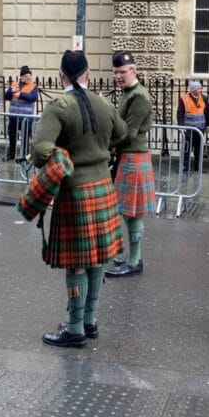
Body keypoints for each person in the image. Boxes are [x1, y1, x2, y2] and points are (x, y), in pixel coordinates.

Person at [30, 50, 127, 348]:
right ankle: (90, 320)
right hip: (103, 188)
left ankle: (74, 329)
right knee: (97, 258)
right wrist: (99, 146)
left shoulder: (59, 106)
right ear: (86, 74)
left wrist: (62, 156)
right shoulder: (104, 102)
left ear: (62, 76)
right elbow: (121, 134)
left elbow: (39, 151)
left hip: (75, 191)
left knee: (76, 263)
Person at [105, 50, 156, 278]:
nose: (118, 76)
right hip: (129, 156)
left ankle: (134, 261)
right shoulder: (129, 93)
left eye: (122, 72)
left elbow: (128, 133)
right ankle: (134, 257)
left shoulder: (139, 96)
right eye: (115, 72)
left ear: (133, 71)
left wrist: (107, 144)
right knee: (128, 212)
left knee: (132, 213)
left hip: (134, 157)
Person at [4, 65, 39, 161]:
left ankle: (24, 155)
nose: (29, 78)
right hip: (14, 117)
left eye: (30, 76)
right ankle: (11, 154)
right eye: (27, 76)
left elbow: (33, 98)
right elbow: (6, 96)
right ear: (22, 76)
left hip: (26, 118)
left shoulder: (33, 87)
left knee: (25, 138)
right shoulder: (14, 84)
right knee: (12, 136)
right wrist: (11, 91)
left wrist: (21, 95)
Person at [176, 81, 209, 173]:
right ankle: (185, 167)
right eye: (198, 89)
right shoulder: (184, 98)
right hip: (188, 128)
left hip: (200, 128)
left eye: (200, 88)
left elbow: (208, 111)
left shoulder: (203, 98)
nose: (200, 90)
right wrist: (181, 125)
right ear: (193, 90)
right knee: (187, 148)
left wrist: (208, 124)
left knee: (199, 149)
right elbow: (180, 112)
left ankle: (198, 167)